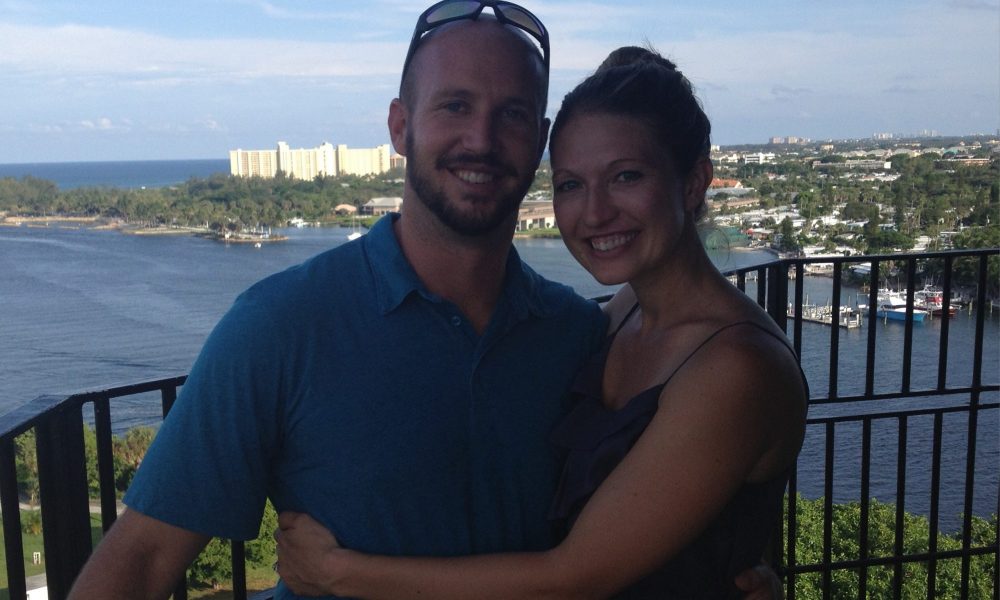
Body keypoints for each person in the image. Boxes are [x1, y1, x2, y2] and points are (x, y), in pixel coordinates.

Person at [68, 2, 785, 598]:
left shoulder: (573, 332)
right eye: (455, 105)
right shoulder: (281, 326)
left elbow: (604, 550)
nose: (481, 138)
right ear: (400, 127)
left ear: (538, 141)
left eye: (511, 114)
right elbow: (144, 556)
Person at [272, 45, 808, 599]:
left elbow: (573, 579)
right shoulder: (624, 312)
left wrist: (335, 571)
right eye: (571, 184)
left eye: (625, 176)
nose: (595, 212)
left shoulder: (736, 367)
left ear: (694, 182)